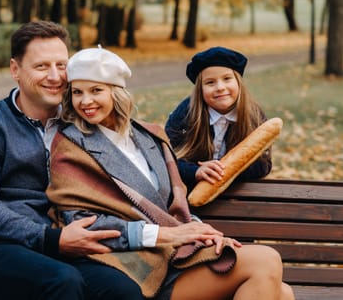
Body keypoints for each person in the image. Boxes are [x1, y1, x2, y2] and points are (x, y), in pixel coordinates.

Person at [46, 47, 295, 300]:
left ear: (116, 91)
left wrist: (203, 231)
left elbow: (172, 206)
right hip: (134, 264)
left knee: (281, 292)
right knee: (266, 261)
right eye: (77, 93)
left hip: (177, 254)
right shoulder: (71, 146)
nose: (85, 101)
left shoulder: (149, 136)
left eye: (96, 90)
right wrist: (166, 234)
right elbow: (81, 221)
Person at [0, 21, 144, 300]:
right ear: (15, 70)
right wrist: (49, 238)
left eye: (62, 65)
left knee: (123, 290)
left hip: (60, 247)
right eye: (42, 66)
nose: (55, 76)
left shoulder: (79, 124)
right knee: (62, 281)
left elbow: (132, 160)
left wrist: (191, 173)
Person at [165, 46, 272, 190]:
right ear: (200, 89)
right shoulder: (185, 114)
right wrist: (195, 171)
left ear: (238, 82)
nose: (220, 87)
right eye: (210, 82)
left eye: (227, 79)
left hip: (239, 193)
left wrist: (225, 170)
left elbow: (264, 165)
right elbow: (166, 158)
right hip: (189, 192)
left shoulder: (254, 116)